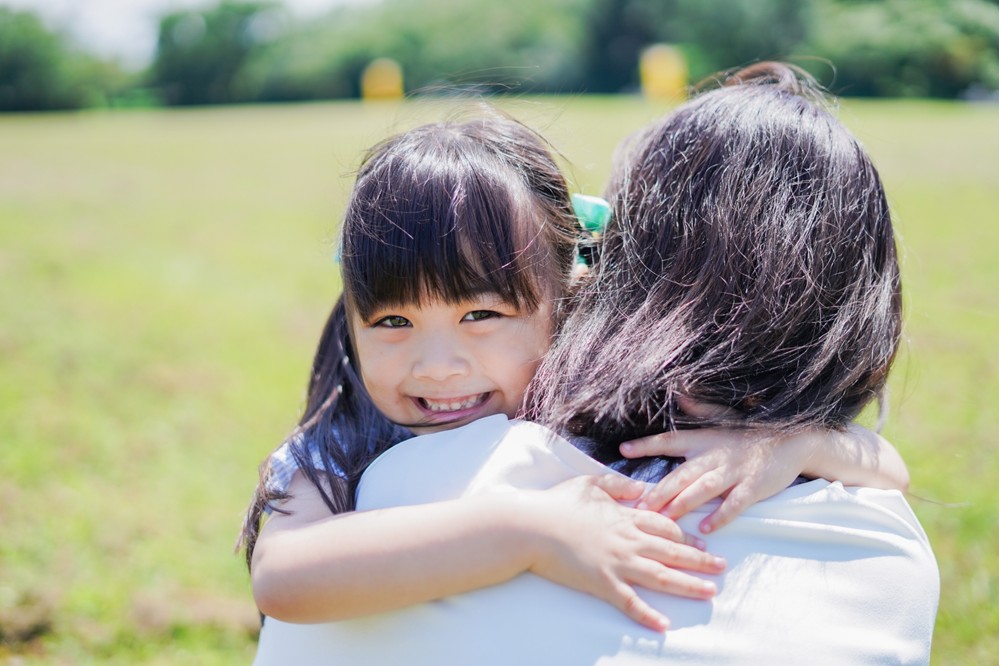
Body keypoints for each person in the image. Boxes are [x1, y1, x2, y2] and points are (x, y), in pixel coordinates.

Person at [250, 63, 938, 665]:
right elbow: (282, 579)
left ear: (573, 297)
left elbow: (890, 468)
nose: (438, 367)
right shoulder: (343, 440)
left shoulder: (615, 410)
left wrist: (799, 443)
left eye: (481, 316)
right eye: (392, 323)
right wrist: (527, 530)